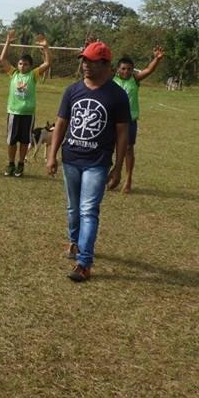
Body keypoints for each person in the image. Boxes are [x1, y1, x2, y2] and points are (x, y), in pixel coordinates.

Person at [46, 41, 130, 282]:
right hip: (71, 159)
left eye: (90, 61)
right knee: (73, 208)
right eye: (83, 60)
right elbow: (61, 123)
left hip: (98, 162)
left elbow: (123, 132)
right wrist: (52, 155)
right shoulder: (72, 91)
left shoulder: (117, 95)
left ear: (105, 64)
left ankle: (84, 262)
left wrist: (117, 167)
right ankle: (74, 242)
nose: (85, 65)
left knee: (88, 210)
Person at [0, 30, 51, 177]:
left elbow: (47, 63)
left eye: (26, 64)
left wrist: (45, 47)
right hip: (13, 113)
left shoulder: (33, 75)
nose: (22, 66)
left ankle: (20, 164)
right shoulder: (13, 74)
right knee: (11, 141)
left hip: (28, 114)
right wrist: (8, 42)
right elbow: (2, 59)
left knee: (24, 141)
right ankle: (10, 164)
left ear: (30, 66)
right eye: (20, 63)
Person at [112, 46, 164, 193]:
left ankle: (128, 179)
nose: (126, 71)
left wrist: (157, 59)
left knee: (128, 149)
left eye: (129, 69)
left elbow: (149, 70)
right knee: (109, 148)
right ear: (118, 69)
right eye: (123, 69)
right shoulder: (111, 80)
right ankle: (110, 175)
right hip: (112, 120)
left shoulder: (134, 80)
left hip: (130, 121)